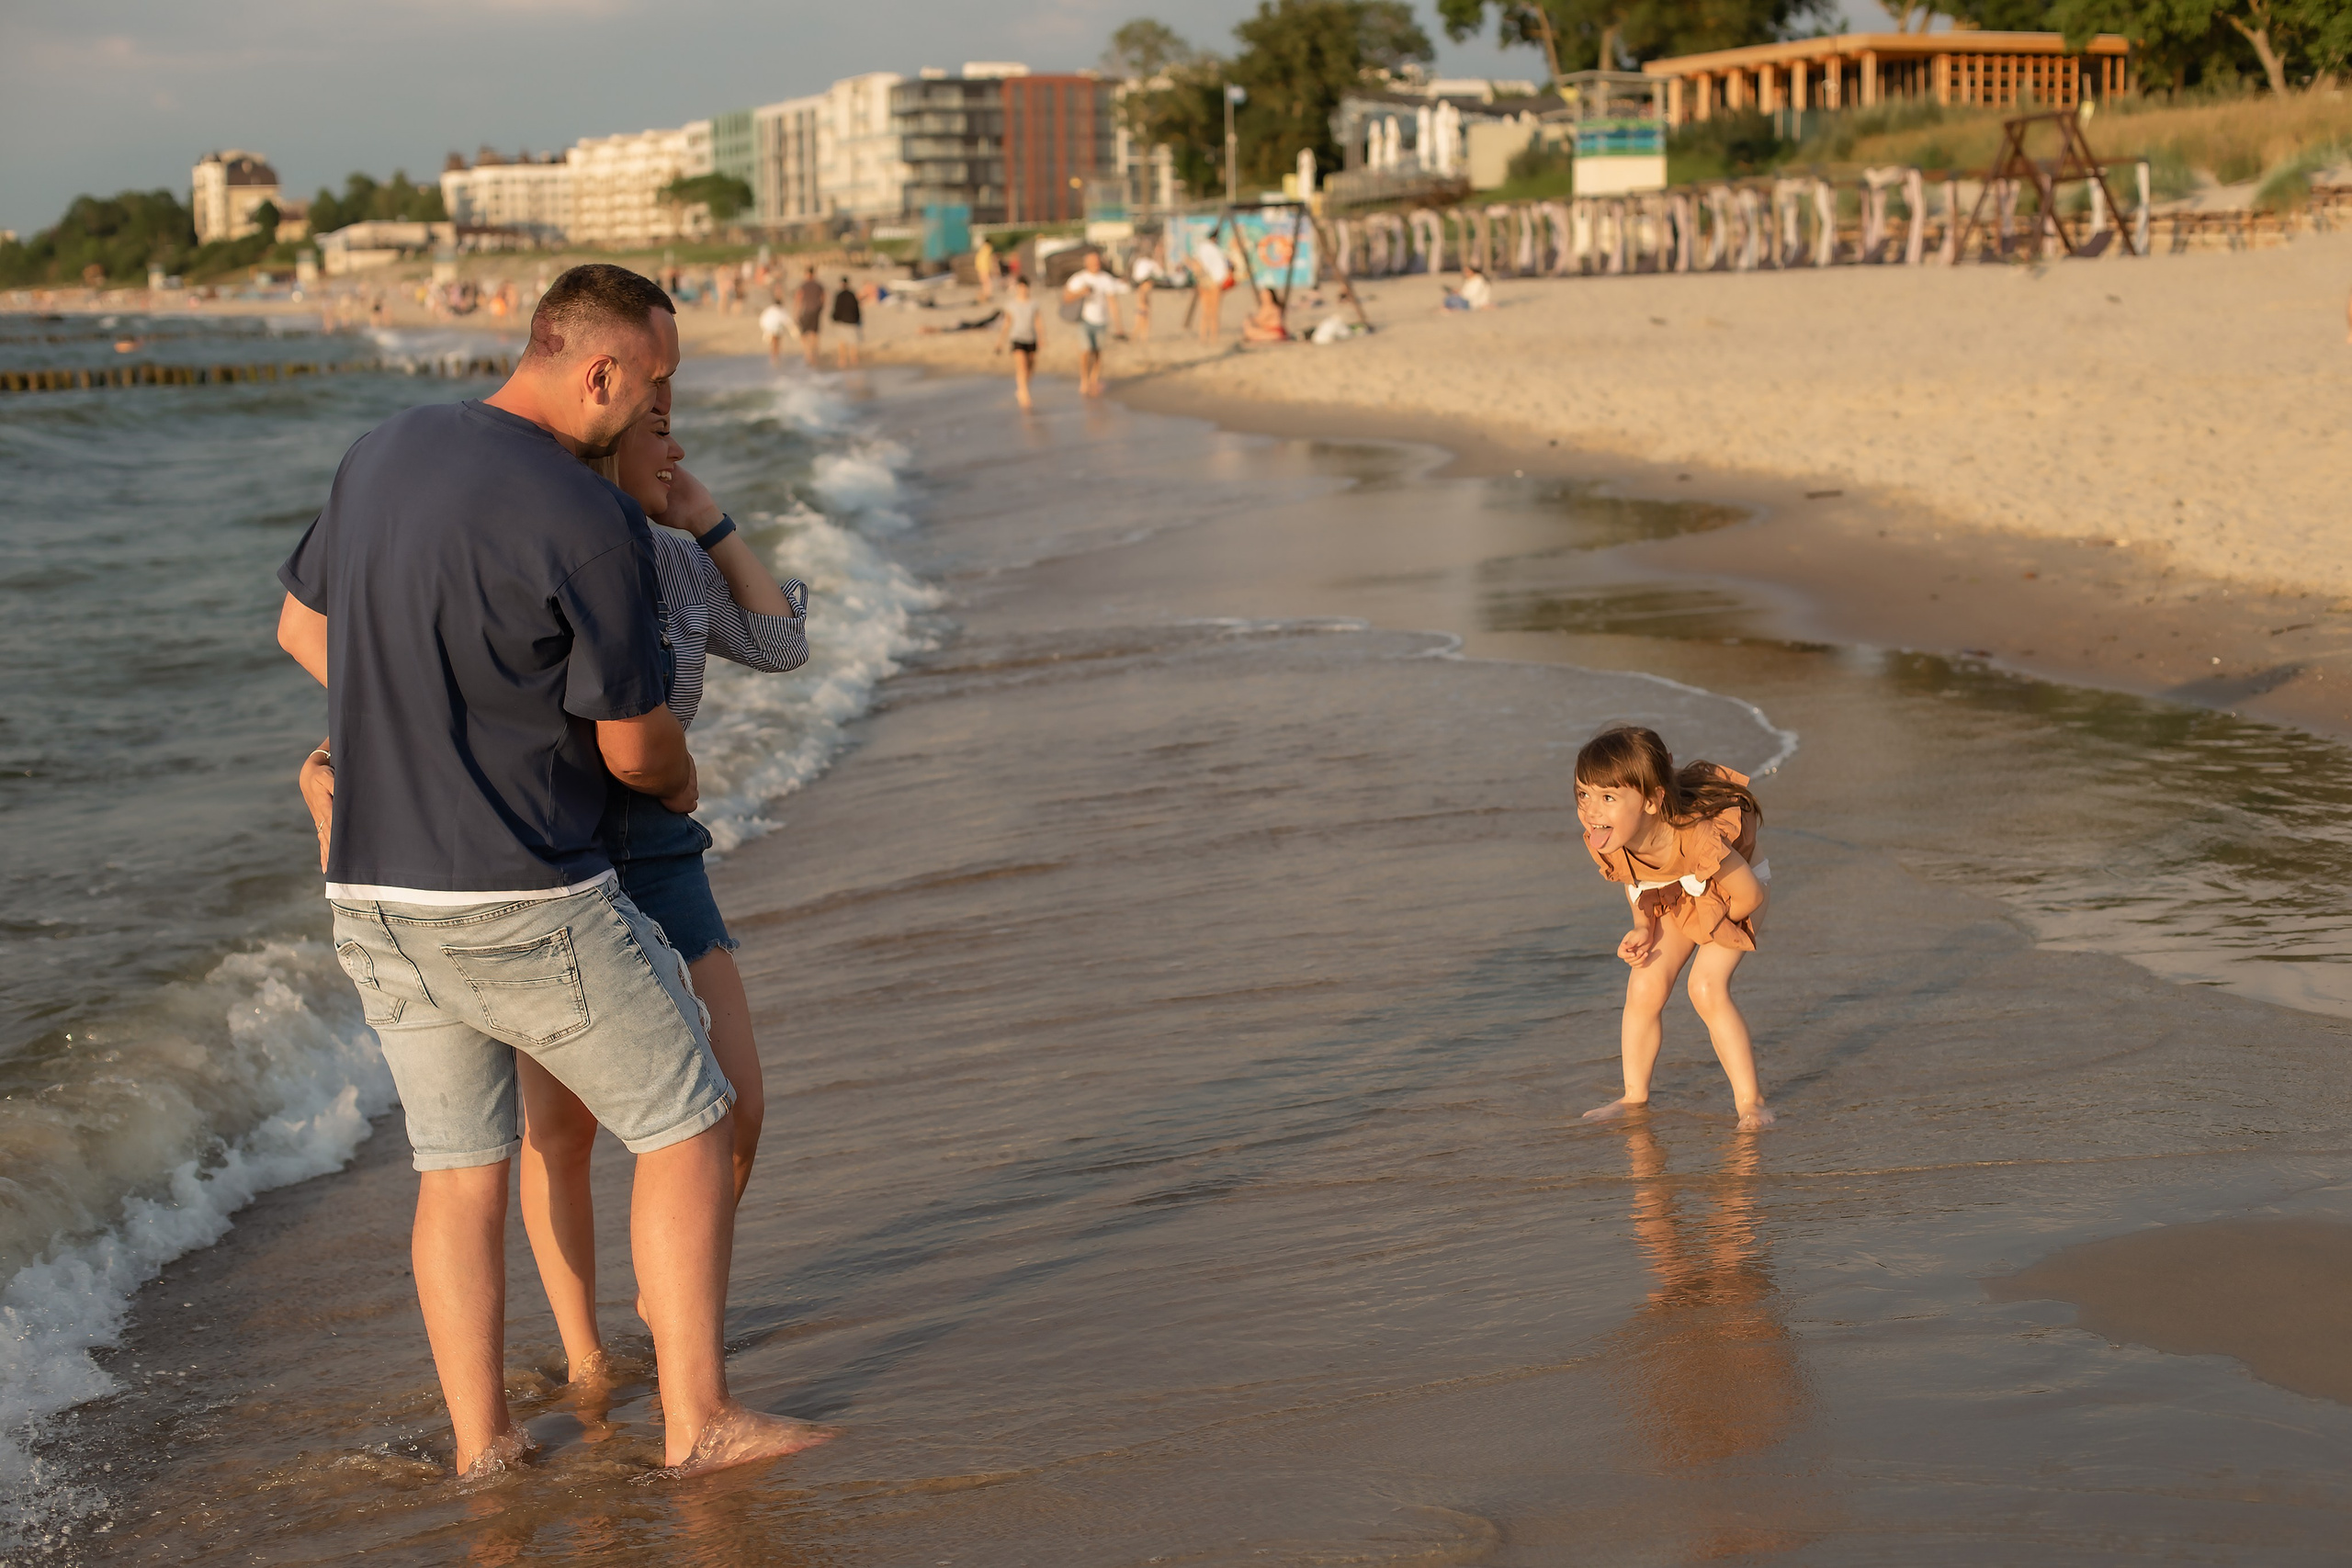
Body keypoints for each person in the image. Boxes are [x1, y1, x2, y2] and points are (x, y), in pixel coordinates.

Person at [273, 263, 823, 1479]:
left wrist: (427, 721)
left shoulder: (383, 449)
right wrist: (678, 787)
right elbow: (636, 746)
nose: (658, 406)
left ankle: (483, 1449)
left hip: (373, 888)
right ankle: (699, 1422)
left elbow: (302, 630)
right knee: (691, 1125)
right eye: (658, 380)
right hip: (520, 890)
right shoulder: (585, 520)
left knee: (457, 1171)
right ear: (601, 371)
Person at [1572, 726, 1774, 1131]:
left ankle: (1752, 1103)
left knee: (1705, 986)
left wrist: (1706, 930)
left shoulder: (1696, 837)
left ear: (1651, 800)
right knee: (1644, 983)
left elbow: (1749, 895)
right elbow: (1635, 880)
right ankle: (1633, 1096)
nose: (1591, 810)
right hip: (1679, 889)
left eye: (1608, 797)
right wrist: (1642, 926)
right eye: (1583, 794)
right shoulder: (1607, 835)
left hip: (1734, 891)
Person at [1063, 251, 1119, 398]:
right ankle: (1084, 380)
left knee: (1098, 351)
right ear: (1086, 263)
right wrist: (1081, 292)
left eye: (1098, 261)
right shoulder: (1079, 278)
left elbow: (1112, 302)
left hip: (1102, 320)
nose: (1096, 264)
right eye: (1093, 262)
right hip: (1084, 319)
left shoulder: (1106, 279)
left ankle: (1094, 379)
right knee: (1085, 350)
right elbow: (1066, 298)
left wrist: (1118, 325)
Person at [995, 274, 1042, 411]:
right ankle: (1024, 393)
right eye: (1020, 287)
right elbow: (1007, 323)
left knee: (1030, 368)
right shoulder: (1011, 305)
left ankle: (1022, 388)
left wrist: (1042, 338)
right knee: (1021, 366)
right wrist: (1000, 341)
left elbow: (1038, 322)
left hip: (1031, 338)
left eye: (1025, 287)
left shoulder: (1034, 304)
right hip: (1017, 338)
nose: (1023, 290)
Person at [1191, 229, 1232, 343]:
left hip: (1203, 281)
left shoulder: (1201, 248)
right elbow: (1224, 266)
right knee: (1214, 311)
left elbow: (1195, 264)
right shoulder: (1217, 250)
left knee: (1205, 310)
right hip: (1215, 281)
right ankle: (1214, 337)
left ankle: (1203, 336)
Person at [792, 266, 826, 367]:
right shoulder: (819, 285)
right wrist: (820, 308)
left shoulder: (803, 285)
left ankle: (808, 355)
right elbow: (823, 298)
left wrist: (796, 312)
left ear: (807, 274)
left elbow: (798, 298)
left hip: (806, 311)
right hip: (816, 311)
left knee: (804, 334)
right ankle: (815, 355)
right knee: (814, 334)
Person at [1130, 247, 1165, 342]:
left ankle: (1140, 334)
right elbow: (1160, 273)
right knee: (1143, 310)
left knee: (1142, 310)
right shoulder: (1149, 264)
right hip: (1144, 287)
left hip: (1141, 287)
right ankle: (1138, 334)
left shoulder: (1141, 262)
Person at [830, 275, 863, 368]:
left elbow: (837, 309)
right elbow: (856, 308)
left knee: (842, 341)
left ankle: (842, 360)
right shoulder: (852, 294)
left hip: (842, 322)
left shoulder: (839, 295)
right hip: (852, 321)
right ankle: (854, 360)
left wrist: (834, 318)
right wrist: (857, 319)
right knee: (853, 342)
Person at [758, 292, 789, 367]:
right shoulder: (781, 310)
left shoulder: (769, 310)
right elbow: (787, 321)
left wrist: (765, 330)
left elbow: (762, 319)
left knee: (774, 343)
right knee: (776, 343)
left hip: (769, 328)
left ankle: (774, 357)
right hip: (776, 329)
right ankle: (775, 358)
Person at [974, 234, 998, 302]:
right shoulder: (988, 248)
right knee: (988, 283)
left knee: (984, 283)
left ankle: (985, 295)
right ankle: (987, 295)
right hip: (985, 268)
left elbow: (978, 259)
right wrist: (992, 268)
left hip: (981, 268)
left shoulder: (982, 249)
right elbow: (990, 259)